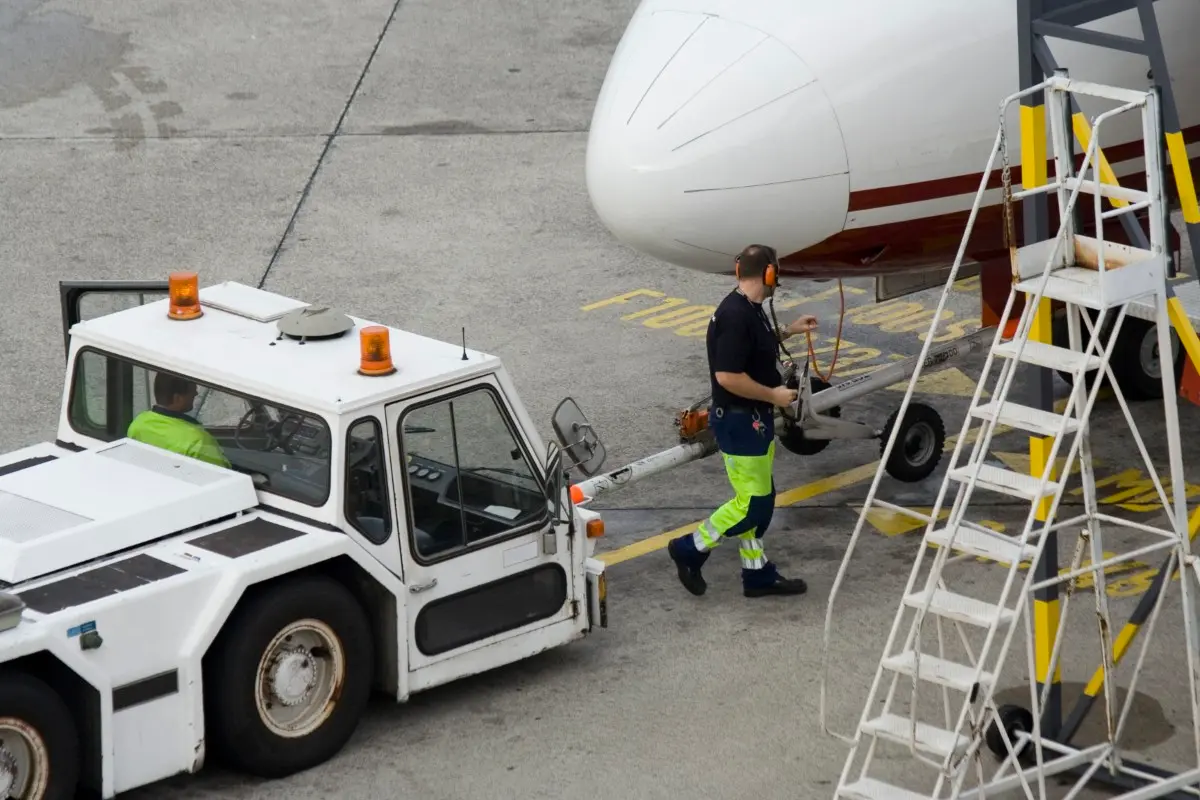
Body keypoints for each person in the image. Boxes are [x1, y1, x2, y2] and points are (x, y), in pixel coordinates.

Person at [666, 244, 818, 598]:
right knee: (753, 505)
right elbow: (728, 377)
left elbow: (754, 345)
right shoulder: (735, 316)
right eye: (776, 272)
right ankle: (689, 548)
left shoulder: (750, 308)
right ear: (769, 274)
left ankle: (756, 573)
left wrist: (790, 331)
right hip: (739, 422)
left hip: (753, 420)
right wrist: (775, 396)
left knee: (758, 498)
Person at [127, 372, 231, 468]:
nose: (195, 393)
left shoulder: (138, 423)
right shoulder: (199, 441)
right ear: (177, 398)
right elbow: (224, 478)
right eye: (192, 391)